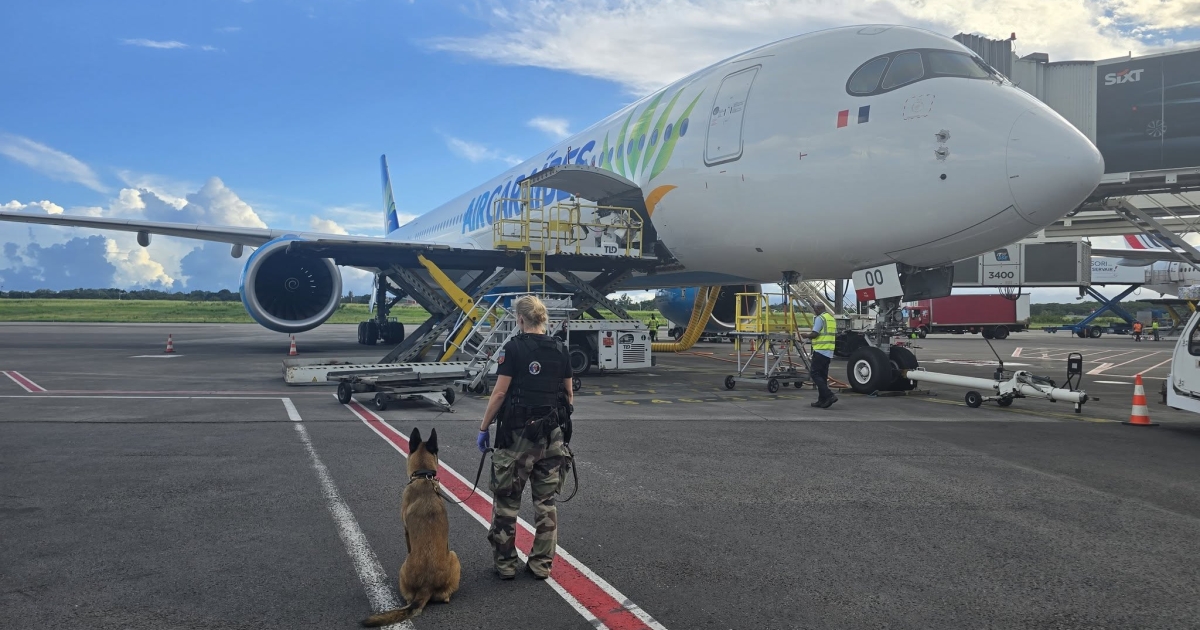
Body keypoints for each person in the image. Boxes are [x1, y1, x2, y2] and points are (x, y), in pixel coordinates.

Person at [476, 295, 574, 580]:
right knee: (546, 503)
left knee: (507, 502)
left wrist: (484, 428)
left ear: (520, 319)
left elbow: (500, 393)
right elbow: (568, 397)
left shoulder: (514, 349)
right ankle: (542, 564)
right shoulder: (561, 349)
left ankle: (506, 565)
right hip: (552, 436)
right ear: (542, 319)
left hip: (518, 437)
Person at [802, 303, 838, 408]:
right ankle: (822, 400)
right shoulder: (830, 318)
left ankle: (829, 395)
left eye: (815, 309)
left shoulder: (820, 318)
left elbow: (815, 334)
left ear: (818, 309)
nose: (814, 311)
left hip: (820, 350)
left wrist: (806, 335)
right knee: (822, 376)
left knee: (815, 374)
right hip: (829, 351)